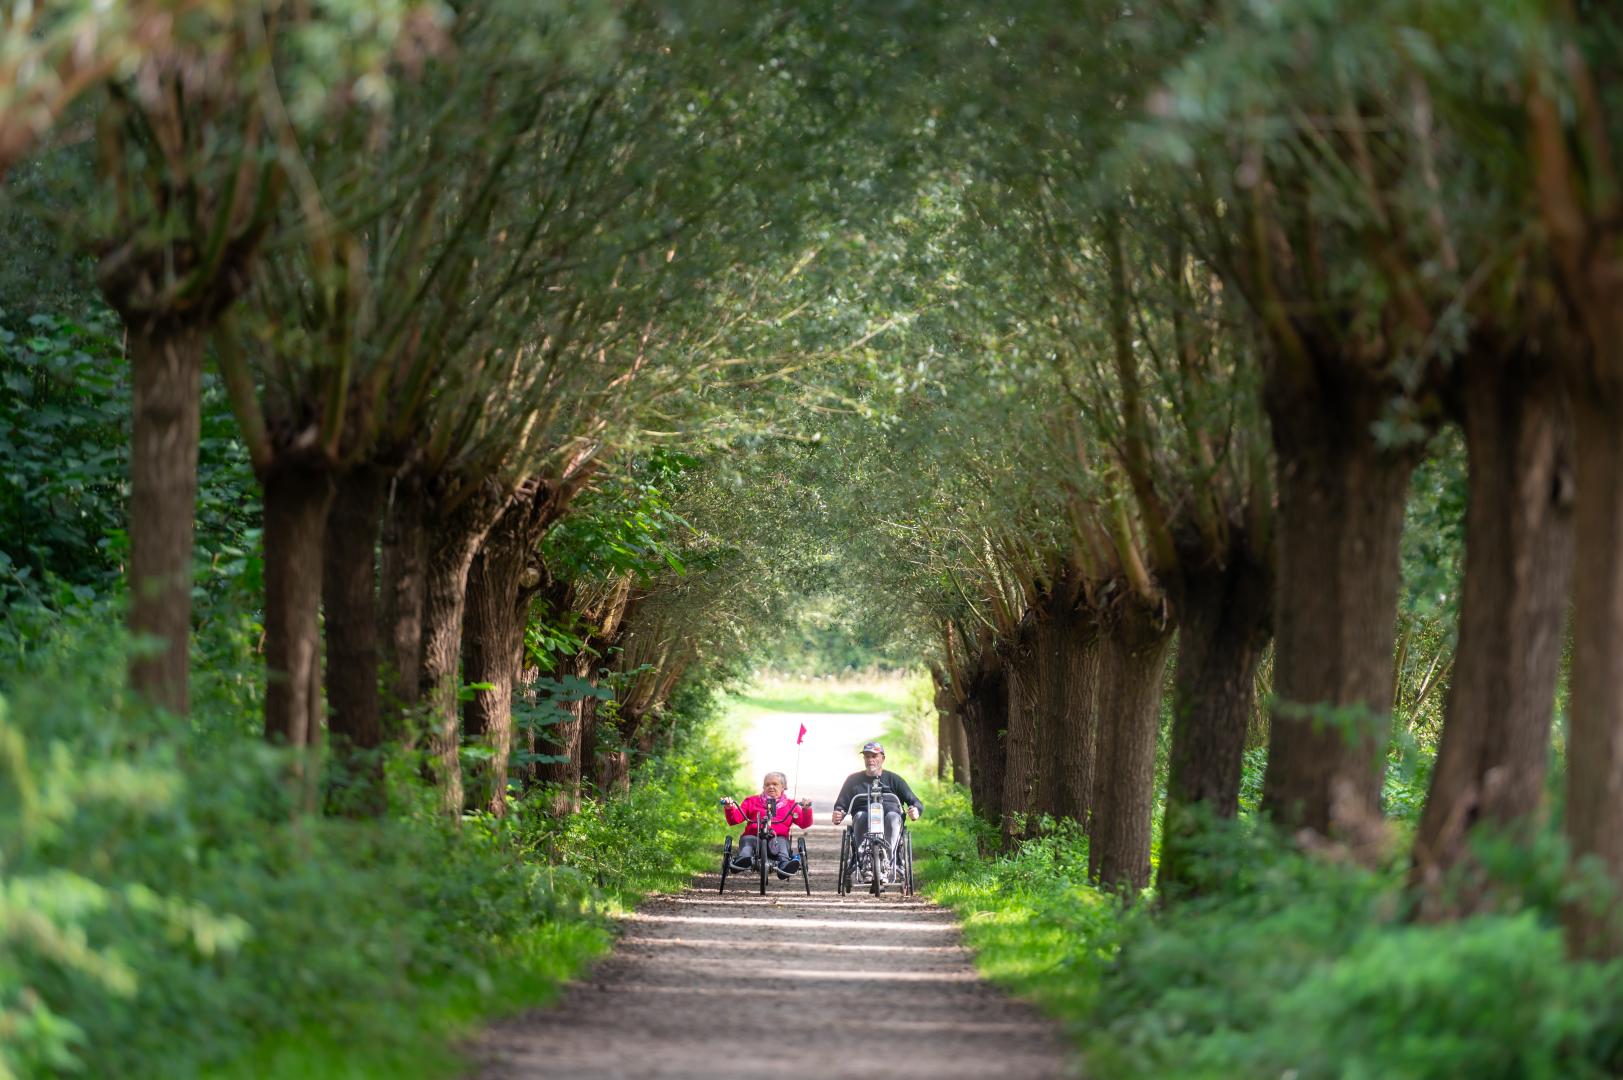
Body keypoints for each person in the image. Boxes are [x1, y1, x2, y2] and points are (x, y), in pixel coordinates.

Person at [831, 742, 922, 880]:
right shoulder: (853, 780)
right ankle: (865, 863)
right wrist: (838, 812)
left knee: (892, 817)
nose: (870, 760)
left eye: (874, 756)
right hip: (863, 817)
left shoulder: (894, 779)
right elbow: (841, 804)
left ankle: (888, 863)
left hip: (889, 816)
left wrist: (916, 810)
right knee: (861, 815)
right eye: (867, 756)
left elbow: (914, 801)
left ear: (882, 758)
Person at [722, 771, 813, 877]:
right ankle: (742, 861)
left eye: (775, 784)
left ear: (783, 786)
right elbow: (734, 820)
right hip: (753, 836)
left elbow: (804, 823)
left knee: (782, 845)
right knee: (747, 844)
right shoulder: (751, 801)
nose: (771, 787)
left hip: (778, 839)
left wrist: (806, 809)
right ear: (763, 787)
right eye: (767, 784)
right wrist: (729, 808)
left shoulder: (790, 805)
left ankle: (784, 866)